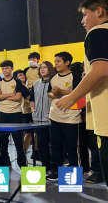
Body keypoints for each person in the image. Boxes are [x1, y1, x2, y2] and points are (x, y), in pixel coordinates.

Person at [56, 0, 108, 186]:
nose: (83, 21)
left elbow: (101, 70)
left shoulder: (97, 32)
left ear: (99, 12)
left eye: (85, 15)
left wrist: (71, 98)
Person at [46, 52, 82, 182]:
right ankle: (55, 171)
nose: (56, 64)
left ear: (67, 63)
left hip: (71, 117)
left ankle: (72, 175)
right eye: (55, 61)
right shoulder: (54, 77)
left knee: (72, 146)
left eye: (58, 61)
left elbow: (81, 93)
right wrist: (53, 94)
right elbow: (49, 93)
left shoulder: (75, 76)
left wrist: (62, 92)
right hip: (55, 116)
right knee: (55, 145)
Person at [0, 60, 29, 167]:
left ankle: (23, 165)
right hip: (2, 113)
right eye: (3, 69)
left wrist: (3, 95)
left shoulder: (17, 81)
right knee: (3, 141)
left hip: (15, 114)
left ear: (12, 69)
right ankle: (4, 163)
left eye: (7, 68)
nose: (5, 70)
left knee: (18, 141)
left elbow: (18, 97)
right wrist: (10, 94)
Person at [30, 61, 55, 172]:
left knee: (54, 144)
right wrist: (33, 110)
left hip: (51, 119)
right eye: (41, 68)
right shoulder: (36, 84)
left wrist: (53, 111)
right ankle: (45, 165)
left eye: (45, 67)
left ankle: (55, 166)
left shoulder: (55, 82)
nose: (42, 69)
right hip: (38, 120)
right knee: (41, 144)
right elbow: (32, 99)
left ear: (50, 69)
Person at [70, 62, 90, 175]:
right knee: (83, 143)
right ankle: (85, 168)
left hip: (87, 115)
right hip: (82, 114)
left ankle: (87, 168)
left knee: (83, 143)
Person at [13, 70, 36, 159]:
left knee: (36, 133)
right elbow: (29, 97)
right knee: (29, 134)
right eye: (20, 75)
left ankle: (35, 152)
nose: (23, 76)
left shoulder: (29, 85)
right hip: (26, 112)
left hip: (34, 111)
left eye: (23, 75)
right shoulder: (19, 87)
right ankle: (23, 153)